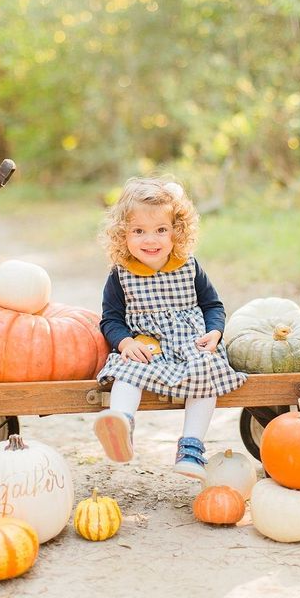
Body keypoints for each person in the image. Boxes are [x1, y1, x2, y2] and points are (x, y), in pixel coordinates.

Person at [93, 177, 247, 481]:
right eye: (139, 231)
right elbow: (110, 319)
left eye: (161, 230)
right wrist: (124, 343)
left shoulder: (188, 266)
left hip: (191, 346)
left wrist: (214, 332)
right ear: (122, 234)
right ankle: (121, 426)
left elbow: (213, 306)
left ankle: (191, 449)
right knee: (127, 371)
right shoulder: (121, 275)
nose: (151, 240)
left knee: (208, 376)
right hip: (148, 348)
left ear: (176, 231)